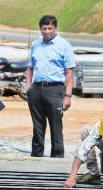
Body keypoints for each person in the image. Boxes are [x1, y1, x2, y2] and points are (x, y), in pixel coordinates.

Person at [26, 15, 76, 157]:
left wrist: (67, 95)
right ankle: (36, 156)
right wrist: (28, 87)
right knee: (37, 126)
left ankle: (57, 158)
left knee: (56, 126)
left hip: (55, 90)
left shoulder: (64, 45)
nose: (47, 31)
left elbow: (69, 72)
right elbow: (30, 67)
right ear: (40, 29)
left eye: (50, 28)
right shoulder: (36, 45)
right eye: (44, 28)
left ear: (55, 28)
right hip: (36, 89)